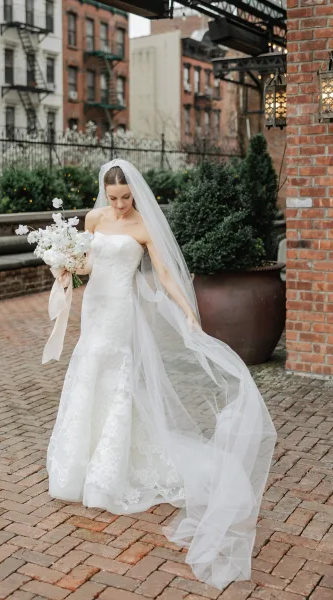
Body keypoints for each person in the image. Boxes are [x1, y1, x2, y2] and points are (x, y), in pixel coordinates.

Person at [46, 159, 277, 590]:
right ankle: (76, 466)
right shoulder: (94, 218)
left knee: (117, 383)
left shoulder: (143, 226)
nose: (118, 205)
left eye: (124, 198)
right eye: (112, 198)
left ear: (134, 193)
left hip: (121, 314)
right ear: (104, 194)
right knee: (86, 372)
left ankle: (107, 474)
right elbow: (88, 266)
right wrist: (64, 264)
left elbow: (166, 275)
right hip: (95, 309)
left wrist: (189, 311)